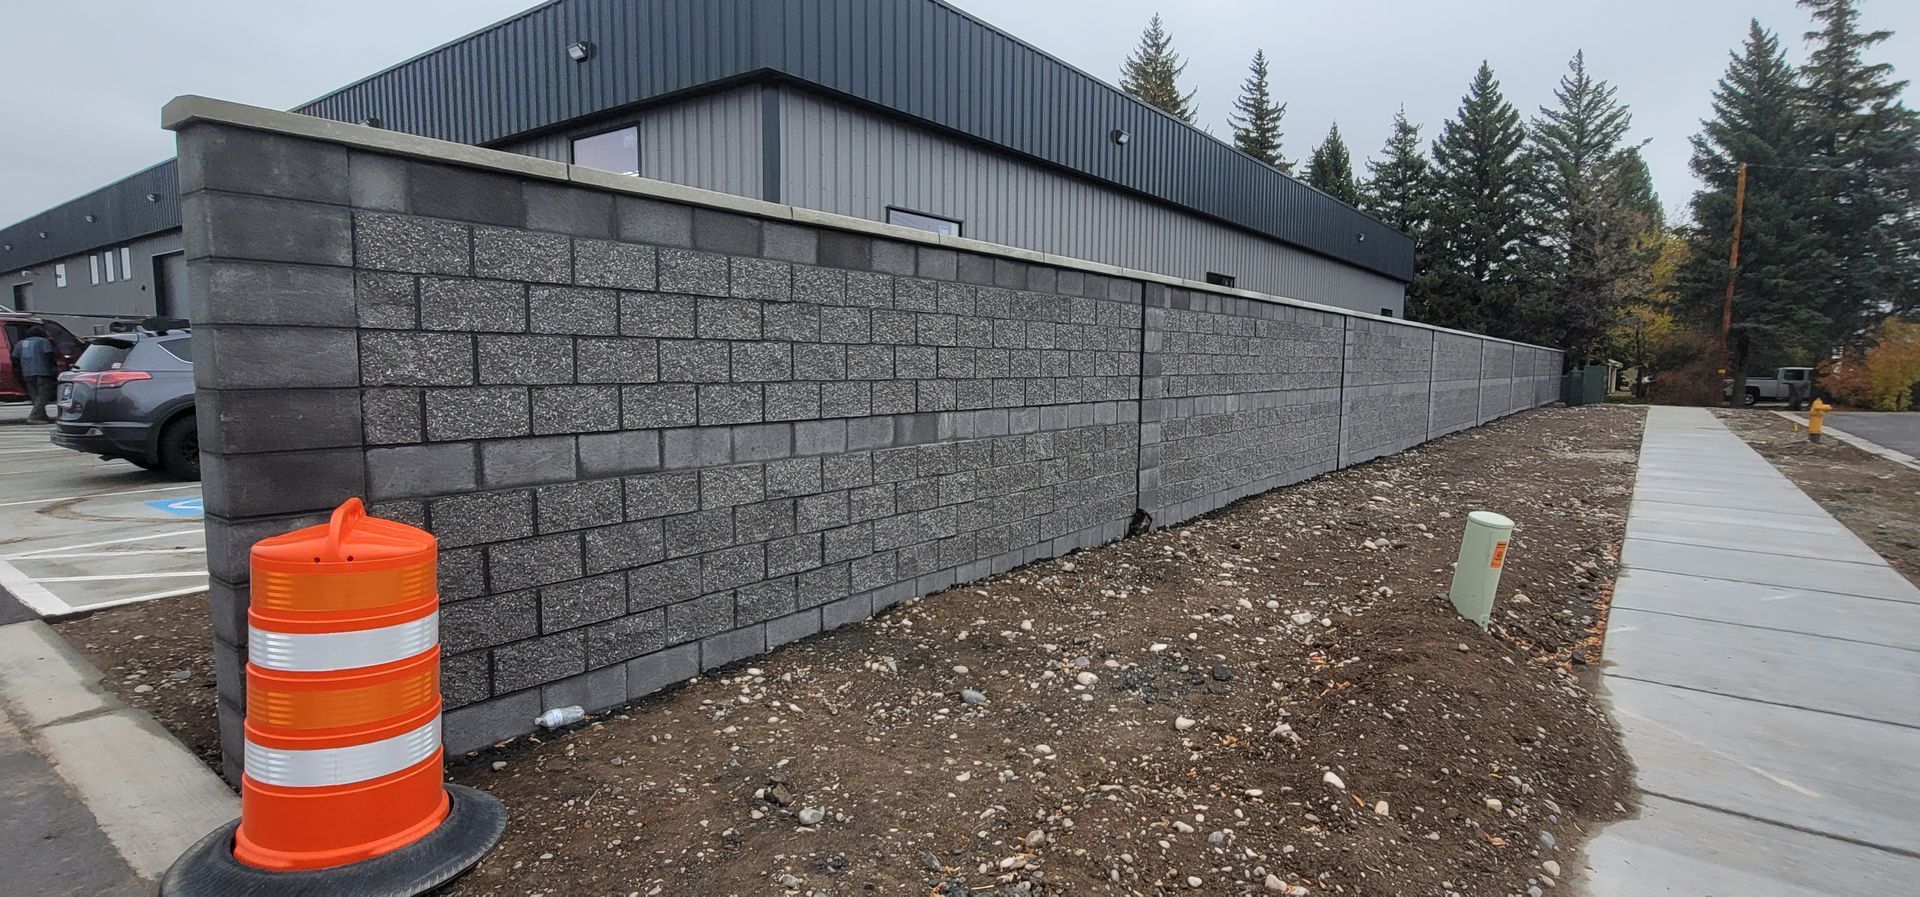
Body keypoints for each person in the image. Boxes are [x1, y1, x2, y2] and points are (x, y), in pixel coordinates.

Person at [11, 327, 58, 423]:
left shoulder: (20, 343)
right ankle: (34, 416)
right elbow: (49, 355)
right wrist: (54, 368)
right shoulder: (43, 341)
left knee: (35, 396)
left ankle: (42, 416)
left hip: (27, 373)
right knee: (43, 395)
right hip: (43, 372)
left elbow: (14, 358)